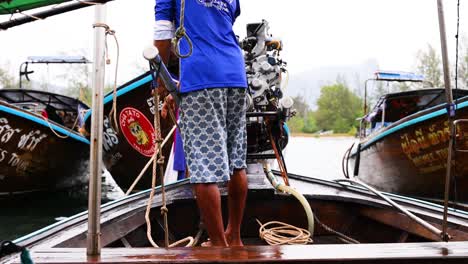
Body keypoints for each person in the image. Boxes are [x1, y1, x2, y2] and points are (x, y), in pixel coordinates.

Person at [153, 0, 248, 247]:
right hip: (236, 75)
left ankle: (218, 244)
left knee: (203, 167)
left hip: (202, 75)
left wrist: (161, 82)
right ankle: (233, 236)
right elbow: (216, 32)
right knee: (237, 161)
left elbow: (163, 37)